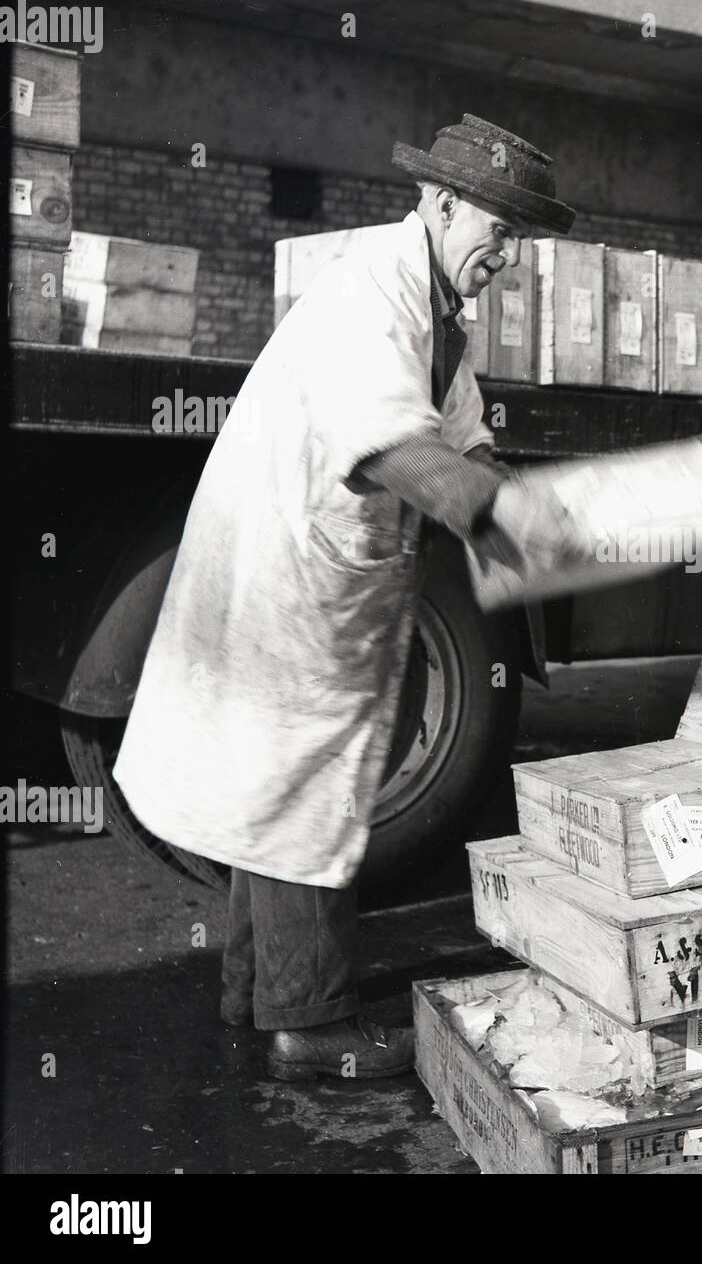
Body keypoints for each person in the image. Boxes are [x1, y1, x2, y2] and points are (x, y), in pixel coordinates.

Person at [113, 115, 577, 1081]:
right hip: (291, 572)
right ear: (443, 203)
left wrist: (529, 497)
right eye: (500, 228)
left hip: (324, 575)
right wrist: (510, 523)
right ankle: (311, 1023)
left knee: (282, 791)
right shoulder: (379, 289)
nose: (509, 254)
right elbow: (402, 451)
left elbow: (461, 435)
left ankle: (254, 995)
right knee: (304, 797)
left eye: (520, 239)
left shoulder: (438, 305)